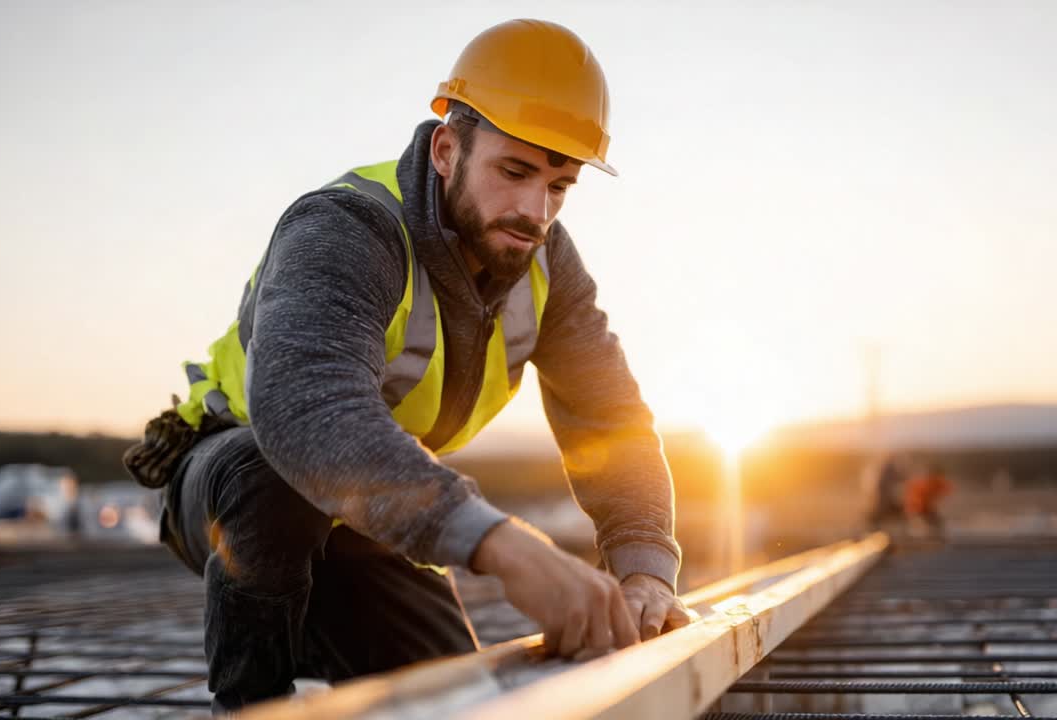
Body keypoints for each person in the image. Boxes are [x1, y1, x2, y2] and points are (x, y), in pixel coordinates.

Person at [123, 20, 690, 713]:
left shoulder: (545, 263)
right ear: (448, 149)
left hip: (370, 513)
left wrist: (644, 568)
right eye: (514, 172)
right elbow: (307, 409)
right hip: (231, 488)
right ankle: (248, 703)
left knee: (458, 700)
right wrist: (504, 545)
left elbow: (612, 420)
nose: (534, 211)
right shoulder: (348, 227)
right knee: (267, 481)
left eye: (559, 185)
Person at [904, 462, 952, 537]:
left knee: (936, 524)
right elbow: (915, 504)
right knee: (922, 526)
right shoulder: (921, 485)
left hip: (927, 510)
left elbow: (947, 496)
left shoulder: (940, 483)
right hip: (918, 510)